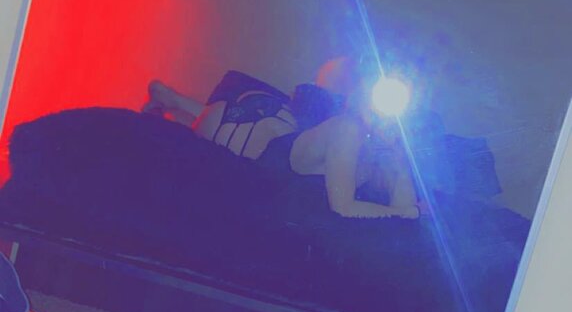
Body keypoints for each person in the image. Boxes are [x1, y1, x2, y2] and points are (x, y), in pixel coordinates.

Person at [143, 60, 423, 220]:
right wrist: (407, 213)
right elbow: (344, 208)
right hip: (246, 128)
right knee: (203, 126)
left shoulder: (378, 146)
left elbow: (406, 205)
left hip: (276, 127)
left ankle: (173, 100)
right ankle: (171, 102)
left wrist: (399, 155)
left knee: (212, 121)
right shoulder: (348, 129)